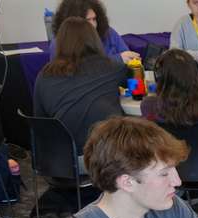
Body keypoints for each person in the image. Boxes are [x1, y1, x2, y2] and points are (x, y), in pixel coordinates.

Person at [35, 17, 129, 154]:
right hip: (107, 152)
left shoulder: (44, 75)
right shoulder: (113, 67)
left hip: (62, 157)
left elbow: (40, 121)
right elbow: (135, 88)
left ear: (60, 43)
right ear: (94, 40)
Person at [48, 0, 137, 63]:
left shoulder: (108, 33)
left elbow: (129, 58)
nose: (93, 25)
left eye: (94, 19)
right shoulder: (59, 43)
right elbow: (75, 74)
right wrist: (117, 60)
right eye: (87, 20)